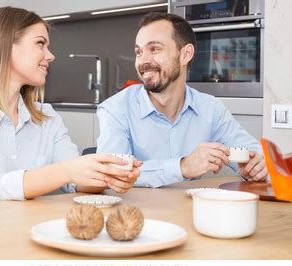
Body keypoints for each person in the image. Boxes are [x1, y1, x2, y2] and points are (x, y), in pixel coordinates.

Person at [0, 7, 141, 206]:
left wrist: (106, 177)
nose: (50, 55)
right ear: (4, 46)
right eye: (40, 44)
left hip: (27, 230)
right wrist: (65, 171)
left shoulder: (48, 117)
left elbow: (74, 183)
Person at [96, 12, 267, 188]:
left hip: (190, 212)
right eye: (139, 52)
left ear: (185, 55)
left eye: (154, 49)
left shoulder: (211, 109)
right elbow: (112, 174)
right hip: (136, 213)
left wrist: (260, 165)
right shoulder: (116, 109)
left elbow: (255, 153)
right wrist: (182, 167)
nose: (143, 61)